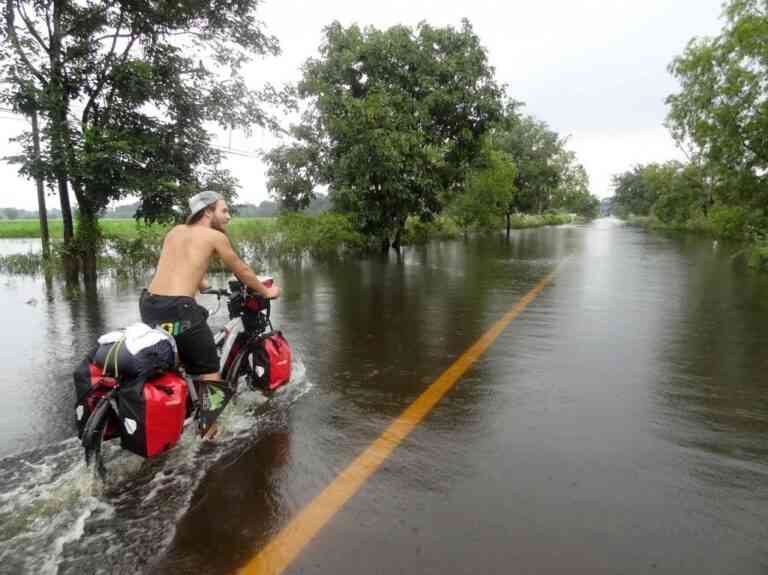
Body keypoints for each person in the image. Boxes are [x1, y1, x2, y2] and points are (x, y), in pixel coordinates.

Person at [139, 191, 280, 383]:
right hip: (178, 309)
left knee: (177, 354)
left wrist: (203, 284)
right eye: (224, 211)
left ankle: (180, 399)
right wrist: (267, 291)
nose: (228, 216)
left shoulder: (175, 231)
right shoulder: (214, 236)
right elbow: (242, 270)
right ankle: (213, 412)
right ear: (207, 212)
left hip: (149, 304)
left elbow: (178, 263)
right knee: (210, 367)